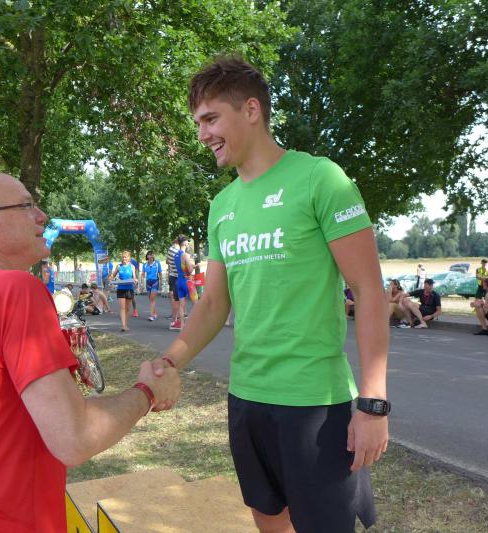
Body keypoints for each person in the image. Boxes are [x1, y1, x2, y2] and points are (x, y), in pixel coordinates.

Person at [155, 57, 388, 532]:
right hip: (246, 398)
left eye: (210, 119)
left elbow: (369, 291)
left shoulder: (320, 178)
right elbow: (213, 303)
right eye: (198, 123)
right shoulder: (222, 206)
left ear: (251, 110)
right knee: (268, 520)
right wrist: (170, 361)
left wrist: (373, 403)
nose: (202, 134)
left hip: (314, 404)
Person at [0, 173, 179, 531]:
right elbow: (75, 438)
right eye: (26, 206)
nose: (42, 216)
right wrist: (149, 392)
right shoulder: (15, 289)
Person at [111, 251, 138, 332]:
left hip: (129, 289)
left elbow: (134, 277)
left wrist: (135, 281)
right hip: (121, 289)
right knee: (122, 308)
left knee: (127, 308)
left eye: (125, 257)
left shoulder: (132, 266)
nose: (124, 258)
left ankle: (126, 324)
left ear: (129, 258)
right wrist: (111, 278)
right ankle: (123, 325)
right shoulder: (119, 266)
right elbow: (113, 275)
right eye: (123, 257)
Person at [170, 236, 193, 331]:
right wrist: (193, 265)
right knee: (196, 302)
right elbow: (190, 270)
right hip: (186, 281)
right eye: (187, 241)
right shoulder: (185, 255)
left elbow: (181, 267)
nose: (188, 243)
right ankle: (196, 326)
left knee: (181, 305)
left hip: (178, 281)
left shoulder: (176, 255)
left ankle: (182, 326)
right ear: (184, 243)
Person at [141, 251, 162, 321]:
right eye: (149, 255)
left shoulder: (157, 263)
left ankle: (151, 315)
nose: (151, 256)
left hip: (155, 282)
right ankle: (155, 313)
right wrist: (141, 284)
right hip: (148, 283)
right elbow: (143, 275)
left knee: (152, 299)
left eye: (152, 255)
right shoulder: (145, 265)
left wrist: (161, 284)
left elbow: (160, 273)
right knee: (151, 300)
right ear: (147, 256)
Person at [166, 238, 180, 320]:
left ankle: (174, 315)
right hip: (177, 276)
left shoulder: (170, 250)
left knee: (173, 295)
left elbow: (167, 262)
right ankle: (177, 316)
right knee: (178, 297)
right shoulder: (178, 250)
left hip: (172, 275)